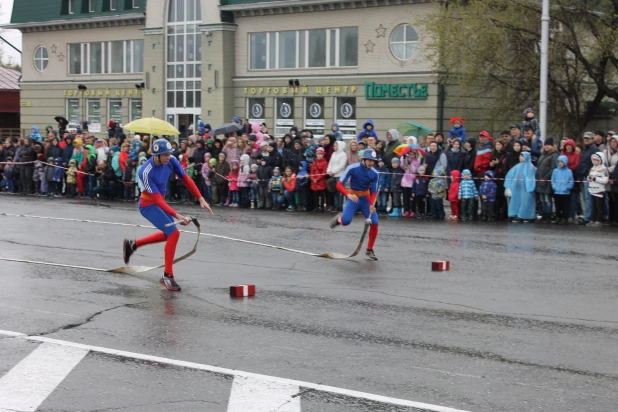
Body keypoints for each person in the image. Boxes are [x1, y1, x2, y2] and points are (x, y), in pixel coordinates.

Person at [123, 139, 212, 292]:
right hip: (148, 205)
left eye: (169, 154)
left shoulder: (171, 161)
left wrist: (200, 198)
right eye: (165, 155)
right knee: (174, 233)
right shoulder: (145, 171)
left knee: (168, 235)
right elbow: (156, 200)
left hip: (160, 202)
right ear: (156, 155)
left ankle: (132, 245)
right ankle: (167, 276)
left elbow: (186, 179)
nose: (168, 157)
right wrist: (177, 215)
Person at [329, 149, 380, 261]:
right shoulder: (353, 168)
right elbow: (339, 184)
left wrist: (371, 205)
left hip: (365, 200)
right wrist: (348, 194)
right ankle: (339, 219)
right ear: (364, 159)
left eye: (373, 161)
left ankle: (369, 249)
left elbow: (374, 192)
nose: (372, 163)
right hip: (353, 198)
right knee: (346, 221)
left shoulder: (374, 173)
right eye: (370, 160)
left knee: (375, 223)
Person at [504, 152, 537, 223]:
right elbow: (510, 175)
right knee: (516, 201)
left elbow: (531, 178)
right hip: (516, 188)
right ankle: (515, 214)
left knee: (526, 202)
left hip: (526, 188)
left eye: (522, 156)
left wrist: (530, 187)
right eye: (520, 156)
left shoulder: (530, 167)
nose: (520, 158)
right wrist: (508, 186)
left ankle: (527, 216)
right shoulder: (517, 166)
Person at [535, 138, 558, 223]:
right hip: (540, 180)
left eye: (548, 145)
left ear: (552, 146)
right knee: (542, 199)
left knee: (547, 199)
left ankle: (548, 215)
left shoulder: (554, 155)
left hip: (547, 181)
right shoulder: (543, 154)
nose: (547, 146)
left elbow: (553, 168)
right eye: (546, 145)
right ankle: (544, 215)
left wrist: (547, 178)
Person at [551, 155, 574, 225]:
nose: (560, 163)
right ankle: (558, 217)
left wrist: (568, 187)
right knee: (557, 205)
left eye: (562, 162)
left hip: (566, 192)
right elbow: (552, 180)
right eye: (559, 162)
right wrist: (554, 187)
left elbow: (571, 181)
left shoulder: (569, 171)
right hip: (557, 191)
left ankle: (564, 217)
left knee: (565, 206)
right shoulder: (555, 171)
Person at [587, 152, 609, 226]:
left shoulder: (604, 169)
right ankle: (593, 219)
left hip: (599, 190)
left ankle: (599, 220)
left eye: (596, 160)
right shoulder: (592, 168)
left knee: (599, 206)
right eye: (593, 160)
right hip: (592, 189)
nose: (594, 161)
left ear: (601, 160)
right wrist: (589, 178)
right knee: (593, 206)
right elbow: (589, 178)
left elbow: (605, 180)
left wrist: (595, 178)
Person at [310, 147, 328, 212]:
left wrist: (317, 179)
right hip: (315, 182)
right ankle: (317, 206)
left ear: (323, 154)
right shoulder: (314, 163)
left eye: (320, 154)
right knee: (316, 196)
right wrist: (313, 179)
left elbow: (324, 172)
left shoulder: (325, 162)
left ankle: (322, 207)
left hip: (320, 181)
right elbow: (312, 172)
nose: (319, 155)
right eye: (318, 154)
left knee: (321, 195)